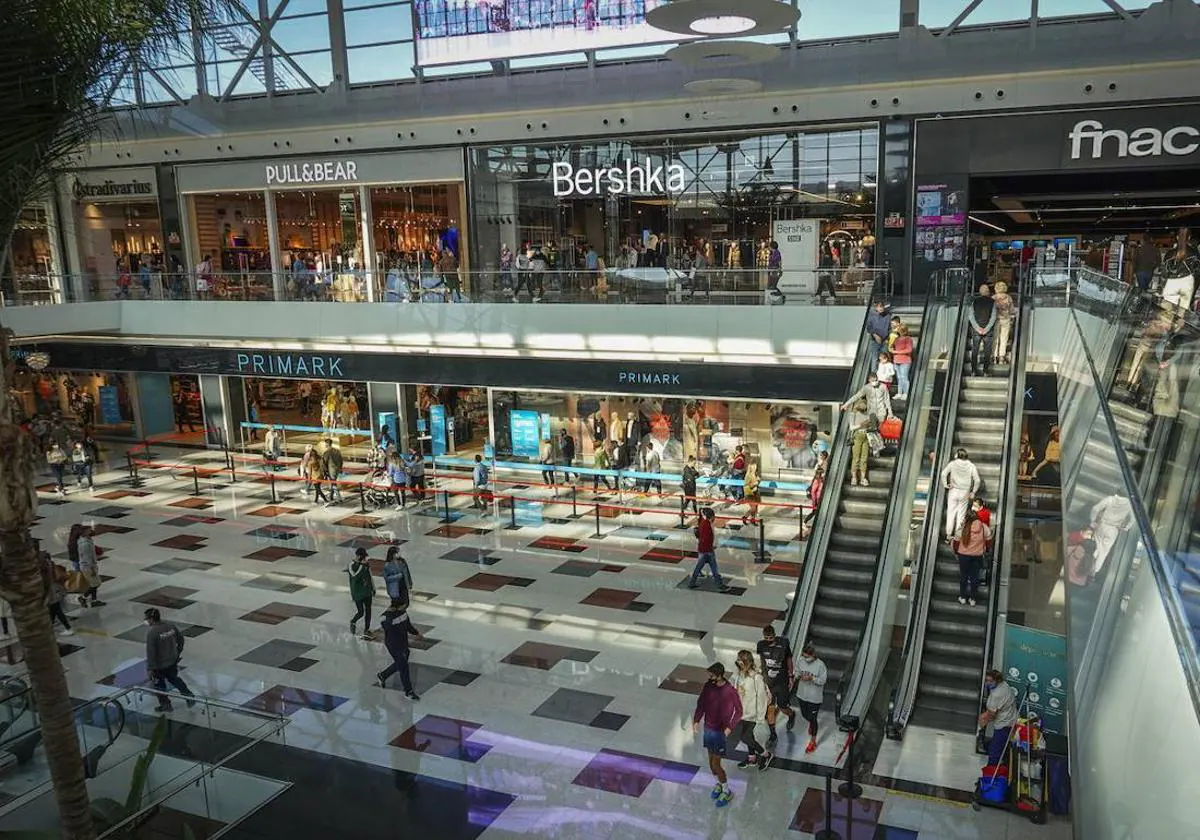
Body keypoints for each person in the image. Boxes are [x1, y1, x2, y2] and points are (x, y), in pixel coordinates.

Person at [692, 662, 742, 808]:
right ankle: (719, 784)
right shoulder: (708, 687)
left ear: (720, 675)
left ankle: (727, 791)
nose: (710, 677)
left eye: (712, 675)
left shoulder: (730, 691)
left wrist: (729, 728)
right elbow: (701, 703)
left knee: (716, 764)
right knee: (711, 763)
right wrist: (696, 720)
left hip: (720, 732)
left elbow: (739, 712)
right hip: (708, 729)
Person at [144, 608, 196, 712]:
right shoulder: (170, 626)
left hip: (159, 665)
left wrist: (150, 669)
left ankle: (166, 705)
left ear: (151, 619)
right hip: (172, 661)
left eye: (147, 619)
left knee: (159, 685)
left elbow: (151, 653)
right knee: (175, 679)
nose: (146, 621)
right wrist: (177, 652)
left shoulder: (152, 633)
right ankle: (189, 696)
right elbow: (181, 640)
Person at [756, 624, 796, 745]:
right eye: (766, 638)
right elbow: (762, 659)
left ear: (774, 635)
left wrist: (790, 675)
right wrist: (762, 675)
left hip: (782, 681)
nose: (768, 641)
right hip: (769, 682)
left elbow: (789, 659)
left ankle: (791, 714)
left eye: (771, 638)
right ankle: (773, 734)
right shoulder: (761, 645)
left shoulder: (783, 643)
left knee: (783, 707)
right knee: (770, 708)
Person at [376, 597, 422, 700]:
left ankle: (383, 675)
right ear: (397, 606)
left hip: (403, 643)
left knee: (401, 663)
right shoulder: (385, 618)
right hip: (393, 644)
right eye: (403, 606)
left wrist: (416, 633)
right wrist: (391, 616)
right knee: (404, 667)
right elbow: (388, 629)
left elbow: (407, 625)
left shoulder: (403, 612)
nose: (405, 607)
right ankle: (408, 691)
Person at [733, 650, 772, 771]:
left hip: (753, 714)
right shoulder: (740, 675)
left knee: (745, 737)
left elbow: (762, 697)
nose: (739, 663)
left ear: (747, 662)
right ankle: (752, 758)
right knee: (748, 736)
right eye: (738, 660)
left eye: (741, 661)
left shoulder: (757, 678)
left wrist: (760, 716)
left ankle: (766, 755)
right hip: (743, 712)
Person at [978, 669, 1018, 766]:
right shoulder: (1004, 685)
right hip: (1010, 718)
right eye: (986, 680)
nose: (988, 683)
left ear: (997, 680)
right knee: (995, 746)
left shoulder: (998, 694)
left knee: (994, 752)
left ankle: (990, 775)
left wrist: (980, 723)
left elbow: (991, 714)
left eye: (990, 681)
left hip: (1004, 724)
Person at [940, 448, 981, 543]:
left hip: (953, 490)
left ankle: (948, 535)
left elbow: (943, 474)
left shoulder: (953, 464)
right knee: (961, 514)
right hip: (964, 492)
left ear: (957, 455)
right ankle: (957, 537)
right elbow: (977, 480)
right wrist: (973, 492)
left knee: (951, 513)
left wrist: (946, 484)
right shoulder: (971, 466)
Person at [793, 642, 828, 754]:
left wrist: (812, 678)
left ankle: (813, 741)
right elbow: (797, 672)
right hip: (802, 694)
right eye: (804, 656)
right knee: (804, 715)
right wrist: (798, 676)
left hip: (814, 698)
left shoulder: (820, 665)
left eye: (807, 657)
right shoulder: (800, 661)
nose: (805, 659)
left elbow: (822, 681)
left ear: (813, 655)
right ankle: (811, 724)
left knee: (813, 719)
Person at [953, 507, 991, 606]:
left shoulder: (963, 528)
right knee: (975, 578)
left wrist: (957, 553)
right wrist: (986, 549)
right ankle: (973, 599)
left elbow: (956, 543)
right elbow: (989, 540)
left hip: (963, 556)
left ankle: (962, 597)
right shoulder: (984, 527)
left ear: (967, 518)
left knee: (963, 577)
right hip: (977, 556)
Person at [688, 507, 732, 592]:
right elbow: (706, 538)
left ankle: (692, 583)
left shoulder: (703, 523)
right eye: (714, 517)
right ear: (711, 516)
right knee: (713, 569)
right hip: (707, 551)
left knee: (700, 568)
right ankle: (720, 585)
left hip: (703, 550)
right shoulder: (706, 525)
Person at [40, 551, 73, 636]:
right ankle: (50, 627)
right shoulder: (50, 564)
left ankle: (68, 628)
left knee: (56, 609)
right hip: (54, 590)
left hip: (50, 592)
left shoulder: (45, 568)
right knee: (54, 610)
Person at [968, 283, 997, 377]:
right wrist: (986, 329)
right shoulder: (992, 302)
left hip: (976, 330)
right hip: (988, 332)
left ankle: (973, 371)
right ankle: (985, 371)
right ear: (988, 292)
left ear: (980, 292)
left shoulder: (974, 302)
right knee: (987, 352)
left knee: (975, 351)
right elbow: (993, 317)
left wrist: (978, 328)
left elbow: (971, 316)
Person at [348, 548, 375, 640]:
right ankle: (353, 621)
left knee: (368, 610)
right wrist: (361, 566)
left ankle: (367, 629)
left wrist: (373, 588)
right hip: (357, 592)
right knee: (361, 612)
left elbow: (370, 576)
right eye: (363, 557)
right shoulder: (351, 565)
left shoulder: (365, 566)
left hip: (367, 591)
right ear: (359, 556)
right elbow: (354, 576)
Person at [77, 526, 104, 607]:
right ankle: (83, 597)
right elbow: (87, 558)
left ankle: (94, 600)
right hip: (88, 567)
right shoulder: (85, 544)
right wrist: (92, 569)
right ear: (84, 532)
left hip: (89, 565)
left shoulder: (86, 540)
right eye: (89, 530)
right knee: (96, 584)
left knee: (94, 583)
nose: (91, 531)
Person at [991, 281, 1014, 365]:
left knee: (995, 338)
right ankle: (1001, 357)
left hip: (996, 320)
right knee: (1004, 338)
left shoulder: (993, 298)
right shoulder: (1008, 297)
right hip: (1006, 320)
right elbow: (1012, 310)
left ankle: (994, 356)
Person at [892, 323, 914, 401]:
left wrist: (896, 352)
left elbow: (909, 350)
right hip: (896, 360)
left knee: (904, 377)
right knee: (899, 378)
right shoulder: (896, 339)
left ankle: (906, 393)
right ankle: (899, 393)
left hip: (905, 361)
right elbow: (892, 347)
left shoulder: (908, 339)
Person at [321, 438, 344, 505]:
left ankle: (339, 497)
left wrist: (325, 471)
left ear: (327, 444)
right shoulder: (337, 451)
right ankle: (331, 496)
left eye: (325, 444)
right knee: (332, 483)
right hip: (337, 469)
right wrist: (340, 468)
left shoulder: (327, 452)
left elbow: (323, 462)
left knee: (333, 483)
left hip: (331, 470)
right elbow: (341, 460)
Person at [742, 459, 761, 526]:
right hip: (750, 494)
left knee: (755, 508)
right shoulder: (748, 476)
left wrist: (758, 481)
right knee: (753, 508)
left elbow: (758, 482)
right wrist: (754, 484)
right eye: (754, 467)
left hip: (756, 493)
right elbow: (746, 485)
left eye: (756, 467)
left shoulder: (756, 474)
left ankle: (752, 520)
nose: (755, 468)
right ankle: (745, 517)